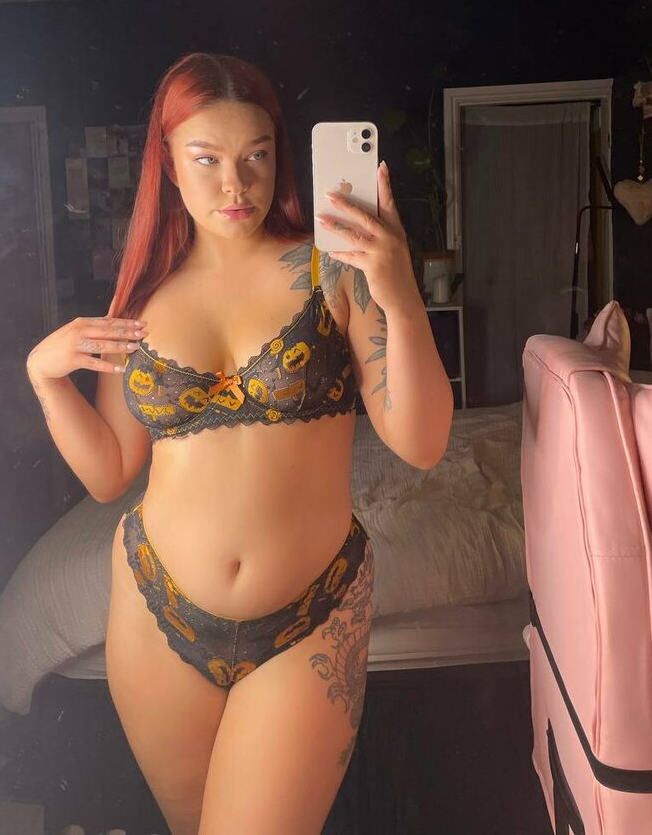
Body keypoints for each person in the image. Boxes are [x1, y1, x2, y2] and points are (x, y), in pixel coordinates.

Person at [26, 52, 454, 835]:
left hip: (311, 615)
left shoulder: (337, 273)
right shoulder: (142, 298)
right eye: (208, 159)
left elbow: (422, 443)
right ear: (168, 165)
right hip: (154, 611)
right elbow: (110, 473)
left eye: (256, 156)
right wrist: (46, 381)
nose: (237, 183)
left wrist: (399, 293)